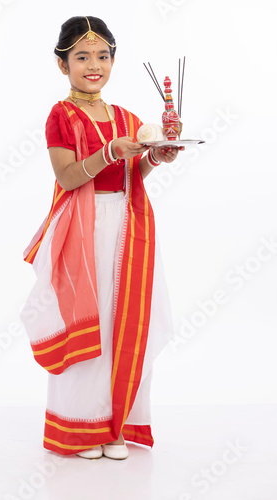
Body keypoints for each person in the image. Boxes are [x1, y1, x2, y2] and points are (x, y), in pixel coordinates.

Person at [20, 15, 181, 460]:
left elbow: (131, 173)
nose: (94, 65)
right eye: (82, 57)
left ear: (113, 60)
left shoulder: (127, 117)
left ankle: (114, 426)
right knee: (88, 324)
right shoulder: (61, 115)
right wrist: (110, 150)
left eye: (103, 56)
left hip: (128, 227)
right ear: (62, 64)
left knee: (123, 322)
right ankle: (80, 426)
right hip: (81, 228)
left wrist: (155, 159)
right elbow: (69, 178)